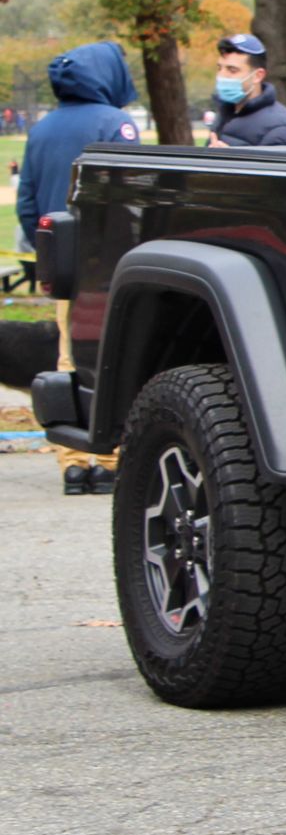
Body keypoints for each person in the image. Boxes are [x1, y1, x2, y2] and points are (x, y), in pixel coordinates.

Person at [17, 41, 139, 495]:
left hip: (61, 264)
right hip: (107, 265)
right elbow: (129, 195)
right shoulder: (116, 124)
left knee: (68, 354)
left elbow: (28, 202)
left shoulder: (42, 128)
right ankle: (107, 459)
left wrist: (47, 250)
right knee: (110, 357)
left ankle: (71, 461)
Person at [208, 33, 286, 147]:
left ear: (258, 76)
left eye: (232, 70)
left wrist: (232, 160)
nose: (222, 76)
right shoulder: (225, 113)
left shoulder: (281, 129)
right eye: (220, 68)